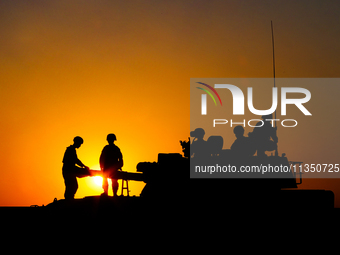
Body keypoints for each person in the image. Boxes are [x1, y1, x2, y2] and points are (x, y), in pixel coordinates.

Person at [62, 136, 89, 200]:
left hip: (69, 170)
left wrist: (83, 166)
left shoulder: (72, 150)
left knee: (73, 186)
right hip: (68, 170)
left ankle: (69, 198)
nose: (80, 145)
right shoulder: (70, 150)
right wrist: (83, 166)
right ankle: (68, 199)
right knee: (71, 185)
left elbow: (75, 160)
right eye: (79, 144)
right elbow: (74, 160)